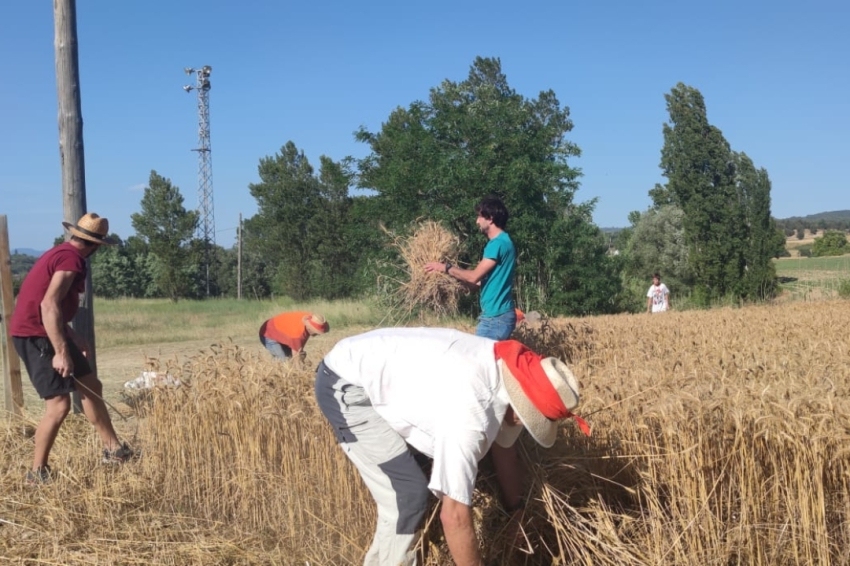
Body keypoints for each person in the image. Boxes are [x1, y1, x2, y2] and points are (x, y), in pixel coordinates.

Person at [314, 327, 590, 566]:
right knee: (408, 496)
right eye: (528, 421)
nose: (524, 426)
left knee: (425, 472)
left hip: (394, 367)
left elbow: (505, 448)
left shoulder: (512, 371)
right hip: (347, 383)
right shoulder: (470, 415)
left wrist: (516, 509)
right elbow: (454, 515)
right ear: (520, 406)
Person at [10, 213, 133, 485]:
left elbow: (52, 307)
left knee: (90, 386)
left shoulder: (62, 253)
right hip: (36, 334)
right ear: (96, 245)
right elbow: (48, 305)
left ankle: (114, 451)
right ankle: (37, 473)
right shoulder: (71, 259)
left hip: (50, 330)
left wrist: (72, 336)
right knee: (58, 405)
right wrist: (61, 351)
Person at [425, 196, 517, 340]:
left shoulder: (497, 244)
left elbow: (474, 276)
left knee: (479, 361)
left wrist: (445, 267)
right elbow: (481, 282)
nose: (477, 221)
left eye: (480, 217)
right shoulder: (506, 241)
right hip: (498, 316)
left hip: (495, 319)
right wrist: (454, 286)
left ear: (490, 218)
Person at [258, 311, 329, 361]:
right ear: (310, 328)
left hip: (281, 332)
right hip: (268, 333)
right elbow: (296, 357)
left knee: (289, 358)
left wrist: (300, 353)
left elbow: (299, 348)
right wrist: (300, 371)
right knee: (283, 360)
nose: (317, 334)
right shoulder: (297, 333)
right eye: (316, 332)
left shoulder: (310, 319)